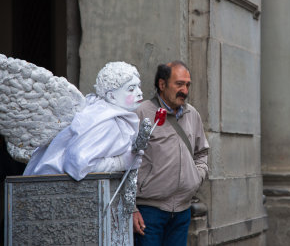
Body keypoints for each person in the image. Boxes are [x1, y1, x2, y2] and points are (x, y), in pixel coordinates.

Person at [23, 61, 143, 181]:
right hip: (52, 186)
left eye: (139, 86)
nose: (140, 93)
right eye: (131, 89)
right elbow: (78, 164)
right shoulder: (106, 122)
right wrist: (120, 162)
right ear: (111, 96)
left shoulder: (103, 111)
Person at [133, 61, 209, 246]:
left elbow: (202, 152)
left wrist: (196, 177)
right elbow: (126, 162)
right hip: (149, 212)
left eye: (187, 85)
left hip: (182, 211)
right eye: (179, 84)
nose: (185, 90)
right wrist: (131, 208)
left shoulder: (192, 114)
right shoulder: (142, 113)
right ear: (162, 84)